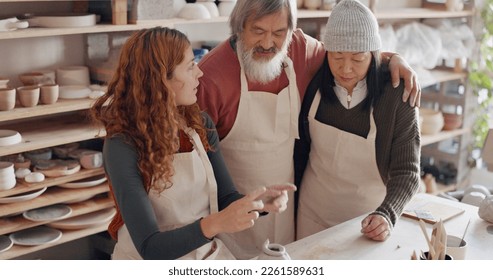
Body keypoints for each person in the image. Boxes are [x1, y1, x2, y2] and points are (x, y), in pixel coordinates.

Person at [196, 0, 421, 258]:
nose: (269, 43)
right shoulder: (210, 77)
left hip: (290, 211)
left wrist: (395, 59)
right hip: (233, 211)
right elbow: (196, 168)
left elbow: (352, 50)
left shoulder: (301, 51)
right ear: (238, 27)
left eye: (279, 33)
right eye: (258, 31)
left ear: (292, 32)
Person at [90, 27, 295, 260]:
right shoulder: (122, 145)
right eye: (190, 66)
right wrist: (215, 224)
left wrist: (259, 203)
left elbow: (226, 197)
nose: (199, 73)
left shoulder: (198, 123)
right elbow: (151, 248)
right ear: (160, 79)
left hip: (203, 256)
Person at [294, 0, 421, 241]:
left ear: (374, 55)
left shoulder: (397, 94)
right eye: (337, 56)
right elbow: (301, 151)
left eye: (357, 58)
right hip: (312, 213)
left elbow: (407, 172)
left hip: (366, 221)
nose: (346, 68)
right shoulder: (314, 82)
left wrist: (387, 214)